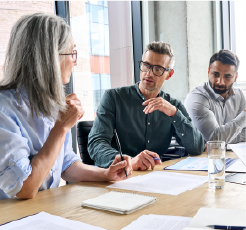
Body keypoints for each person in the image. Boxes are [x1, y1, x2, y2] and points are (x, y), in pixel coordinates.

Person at [0, 13, 132, 200]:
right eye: (71, 53)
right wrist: (61, 127)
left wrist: (105, 174)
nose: (75, 61)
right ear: (50, 58)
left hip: (42, 212)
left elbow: (66, 165)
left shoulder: (51, 104)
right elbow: (24, 188)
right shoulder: (3, 110)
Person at [88, 41, 204, 170]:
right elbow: (96, 144)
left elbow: (197, 147)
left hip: (156, 177)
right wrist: (129, 162)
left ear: (169, 74)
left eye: (158, 69)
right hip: (120, 176)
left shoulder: (173, 105)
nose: (149, 73)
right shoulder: (113, 98)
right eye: (146, 65)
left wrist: (174, 113)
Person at [184, 49, 246, 144]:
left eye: (227, 76)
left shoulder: (239, 95)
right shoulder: (197, 98)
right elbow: (214, 141)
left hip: (230, 156)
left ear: (236, 77)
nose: (220, 81)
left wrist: (226, 138)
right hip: (201, 158)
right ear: (208, 72)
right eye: (215, 74)